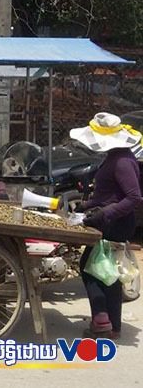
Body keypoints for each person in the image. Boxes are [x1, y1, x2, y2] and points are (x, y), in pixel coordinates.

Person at [69, 113, 143, 338]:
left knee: (91, 268)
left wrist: (104, 213)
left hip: (115, 222)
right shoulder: (116, 157)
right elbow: (109, 194)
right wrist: (86, 205)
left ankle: (102, 320)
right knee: (107, 272)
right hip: (110, 219)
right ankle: (112, 325)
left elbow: (133, 198)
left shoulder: (121, 161)